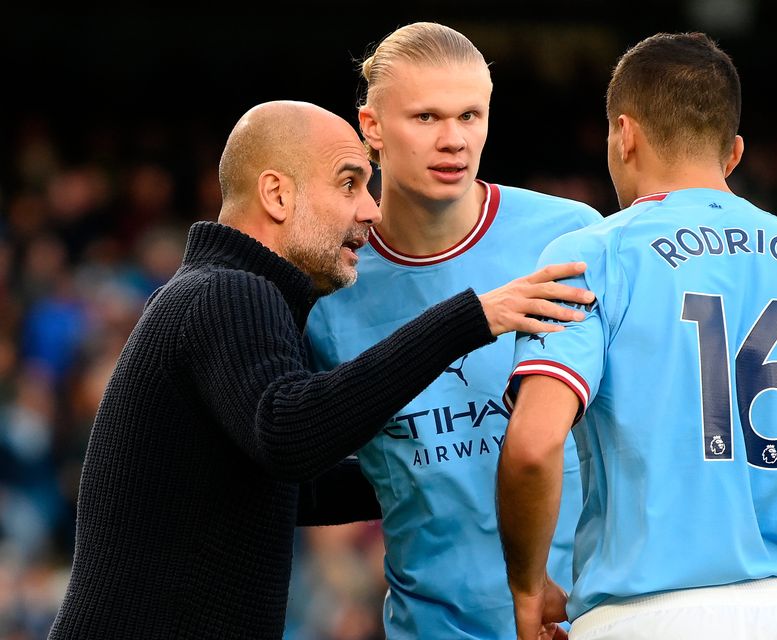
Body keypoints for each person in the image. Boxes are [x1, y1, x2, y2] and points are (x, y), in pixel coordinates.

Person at [48, 100, 594, 640]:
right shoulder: (232, 291)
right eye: (349, 183)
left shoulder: (216, 292)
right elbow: (291, 434)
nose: (371, 210)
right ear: (277, 194)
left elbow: (290, 488)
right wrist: (471, 318)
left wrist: (442, 468)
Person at [496, 32, 777, 640]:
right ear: (732, 154)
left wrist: (527, 591)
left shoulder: (594, 254)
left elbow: (531, 446)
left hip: (637, 618)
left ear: (624, 135)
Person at [306, 22, 602, 639]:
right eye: (426, 118)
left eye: (471, 116)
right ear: (372, 127)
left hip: (581, 622)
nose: (454, 141)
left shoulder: (570, 237)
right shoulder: (330, 281)